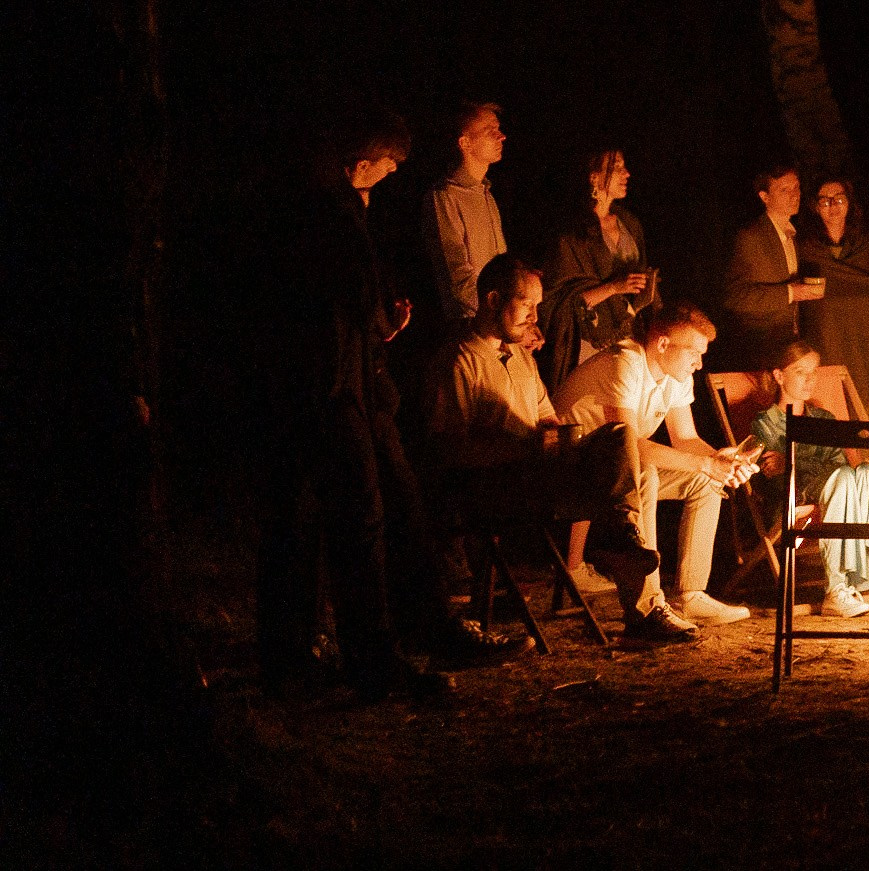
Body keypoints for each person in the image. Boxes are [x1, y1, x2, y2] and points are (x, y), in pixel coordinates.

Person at [258, 110, 509, 702]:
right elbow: (325, 305)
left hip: (356, 381)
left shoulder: (341, 209)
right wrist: (366, 334)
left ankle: (407, 633)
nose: (394, 173)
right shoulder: (329, 211)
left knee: (384, 504)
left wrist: (378, 329)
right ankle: (365, 659)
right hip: (332, 387)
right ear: (362, 158)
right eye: (390, 163)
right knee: (354, 517)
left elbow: (345, 304)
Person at [419, 253, 661, 619]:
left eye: (537, 306)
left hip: (539, 475)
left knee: (619, 437)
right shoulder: (460, 360)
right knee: (616, 468)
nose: (535, 317)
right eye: (526, 304)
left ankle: (624, 545)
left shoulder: (520, 357)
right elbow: (449, 450)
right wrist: (523, 446)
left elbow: (547, 416)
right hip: (496, 488)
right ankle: (621, 551)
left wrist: (557, 435)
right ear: (494, 300)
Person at [556, 299, 762, 640]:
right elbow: (629, 446)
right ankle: (648, 607)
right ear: (663, 344)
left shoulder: (674, 375)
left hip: (614, 471)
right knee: (645, 474)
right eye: (694, 353)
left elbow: (685, 438)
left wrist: (720, 462)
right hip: (569, 469)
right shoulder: (625, 363)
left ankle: (693, 595)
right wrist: (707, 462)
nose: (699, 363)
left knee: (705, 479)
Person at [749, 342, 869, 618]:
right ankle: (836, 588)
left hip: (837, 492)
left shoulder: (823, 418)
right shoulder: (764, 424)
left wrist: (792, 461)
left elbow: (837, 465)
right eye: (800, 371)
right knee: (842, 478)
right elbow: (772, 476)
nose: (810, 379)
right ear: (779, 376)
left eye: (813, 371)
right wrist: (803, 466)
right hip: (789, 500)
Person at [541, 147, 654, 393]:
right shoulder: (573, 235)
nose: (627, 174)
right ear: (594, 177)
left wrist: (647, 290)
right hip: (590, 344)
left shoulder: (630, 224)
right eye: (617, 168)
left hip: (631, 335)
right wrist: (614, 286)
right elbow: (563, 302)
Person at [798, 179, 869, 426]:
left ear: (849, 203)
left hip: (867, 343)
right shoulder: (805, 248)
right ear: (815, 207)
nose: (832, 206)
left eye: (839, 199)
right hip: (826, 340)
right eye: (824, 201)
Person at [719, 164, 826, 372]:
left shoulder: (794, 235)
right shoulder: (751, 237)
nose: (794, 195)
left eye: (796, 188)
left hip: (791, 348)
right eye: (784, 190)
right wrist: (791, 292)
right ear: (765, 197)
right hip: (761, 350)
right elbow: (734, 297)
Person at [423, 100, 508, 328]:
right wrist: (499, 317)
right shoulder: (445, 196)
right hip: (471, 326)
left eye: (498, 129)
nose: (501, 137)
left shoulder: (486, 194)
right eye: (490, 131)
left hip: (495, 324)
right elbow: (457, 278)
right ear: (465, 143)